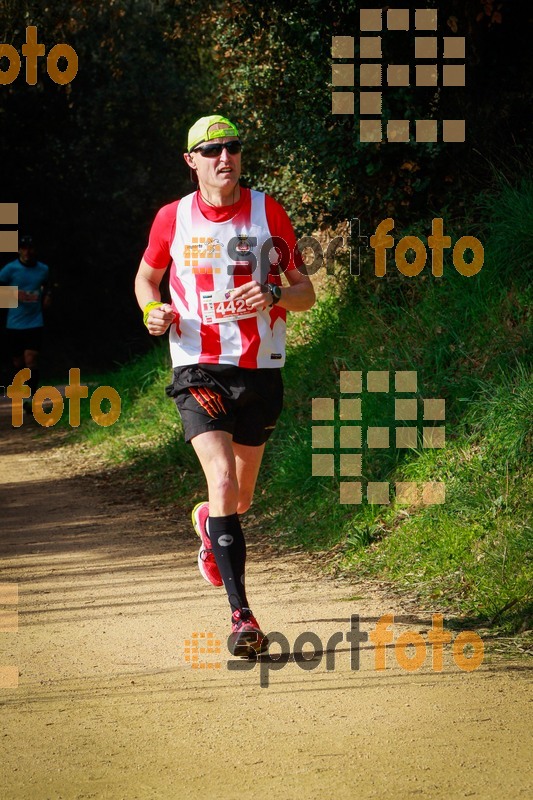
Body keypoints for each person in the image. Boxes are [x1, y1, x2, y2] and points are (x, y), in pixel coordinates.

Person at [135, 115, 315, 657]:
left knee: (240, 494)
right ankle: (243, 618)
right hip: (197, 366)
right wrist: (152, 310)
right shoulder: (173, 219)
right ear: (192, 161)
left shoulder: (269, 213)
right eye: (211, 150)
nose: (224, 158)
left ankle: (210, 528)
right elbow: (146, 276)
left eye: (232, 148)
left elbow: (305, 292)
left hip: (259, 370)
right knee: (221, 481)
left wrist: (276, 297)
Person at [0, 236, 51, 405]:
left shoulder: (43, 269)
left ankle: (31, 396)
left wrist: (48, 296)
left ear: (34, 250)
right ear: (18, 250)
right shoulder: (10, 269)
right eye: (23, 248)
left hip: (35, 321)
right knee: (18, 362)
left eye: (30, 248)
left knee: (31, 359)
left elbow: (49, 285)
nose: (27, 252)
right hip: (14, 322)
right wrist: (13, 295)